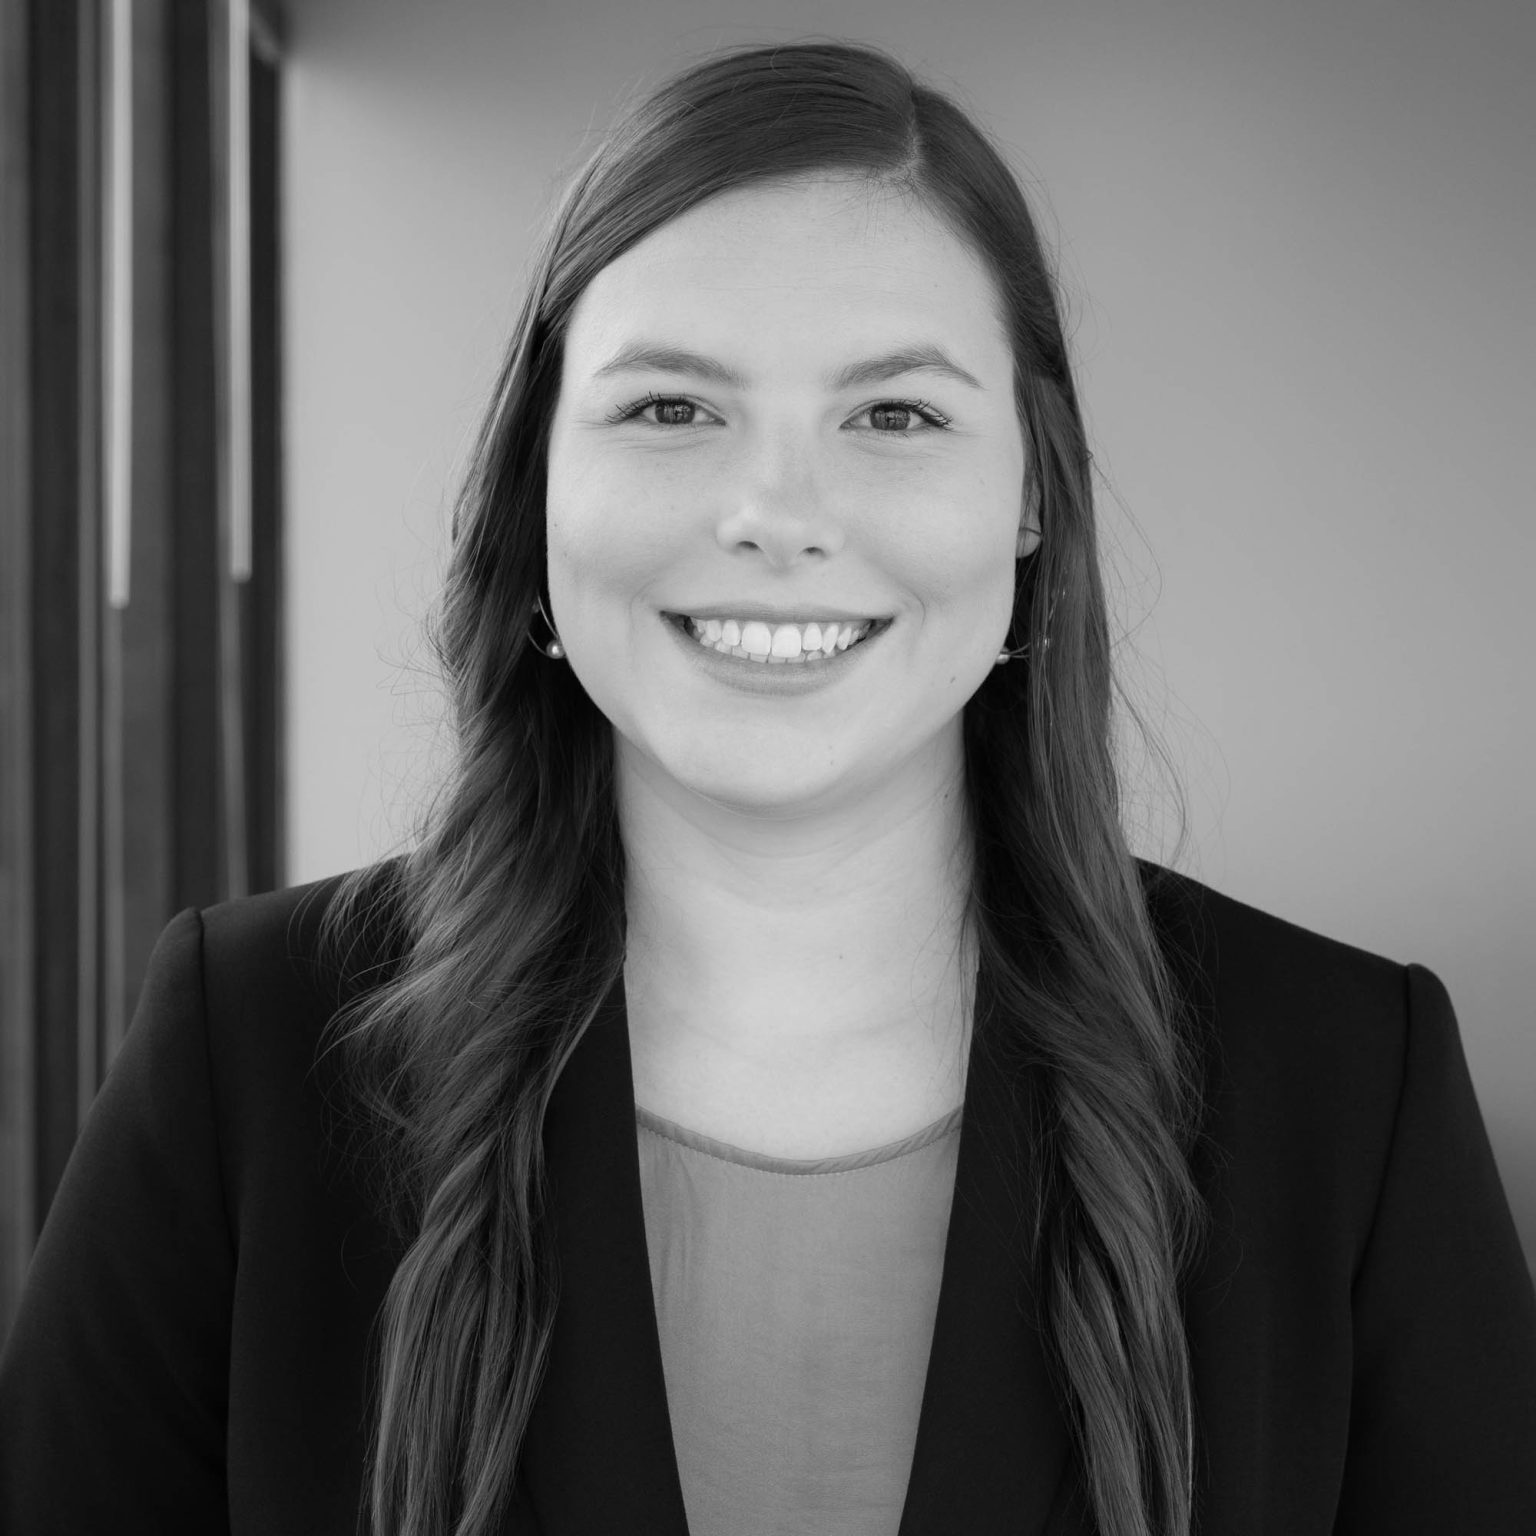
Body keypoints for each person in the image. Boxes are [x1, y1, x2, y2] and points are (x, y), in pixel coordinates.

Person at [2, 38, 1534, 1536]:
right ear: (538, 483)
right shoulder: (248, 1057)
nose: (774, 515)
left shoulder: (1344, 1082)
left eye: (896, 414)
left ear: (1029, 505)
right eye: (671, 408)